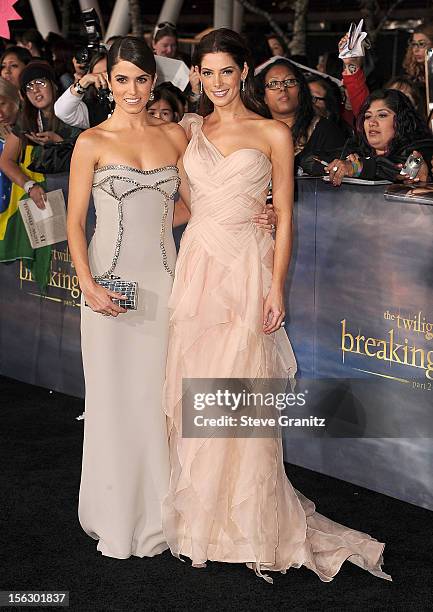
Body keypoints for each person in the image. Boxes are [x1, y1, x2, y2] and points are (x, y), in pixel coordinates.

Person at [162, 27, 391, 584]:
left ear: (245, 72)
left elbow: (285, 214)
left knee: (240, 385)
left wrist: (276, 286)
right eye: (206, 71)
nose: (216, 82)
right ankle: (201, 518)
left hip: (246, 266)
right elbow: (182, 200)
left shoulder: (272, 133)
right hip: (197, 265)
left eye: (226, 71)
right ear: (197, 75)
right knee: (196, 382)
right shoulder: (188, 130)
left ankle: (245, 520)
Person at [66, 35, 273, 559]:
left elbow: (195, 206)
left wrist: (257, 213)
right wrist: (88, 284)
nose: (133, 90)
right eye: (122, 79)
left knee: (157, 403)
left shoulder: (177, 138)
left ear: (153, 81)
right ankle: (114, 517)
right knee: (112, 400)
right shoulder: (89, 142)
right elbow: (73, 225)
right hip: (107, 288)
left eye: (141, 79)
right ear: (106, 82)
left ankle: (161, 518)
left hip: (166, 285)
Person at [0, 61, 81, 210]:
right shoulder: (27, 120)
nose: (35, 90)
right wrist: (30, 186)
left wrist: (59, 143)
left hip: (81, 188)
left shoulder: (74, 110)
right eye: (29, 87)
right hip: (49, 195)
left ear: (53, 85)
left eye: (40, 83)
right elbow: (6, 160)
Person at [325, 89, 433, 186]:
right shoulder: (356, 148)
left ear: (402, 121)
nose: (372, 122)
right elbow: (312, 160)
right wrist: (335, 167)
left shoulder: (422, 148)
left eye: (382, 115)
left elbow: (400, 169)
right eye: (368, 116)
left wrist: (358, 167)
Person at [255, 58, 347, 171]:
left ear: (301, 90)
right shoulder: (253, 134)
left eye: (290, 81)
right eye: (273, 84)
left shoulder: (326, 130)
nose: (282, 88)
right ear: (264, 97)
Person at [54, 51, 110, 129]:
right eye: (96, 76)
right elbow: (61, 112)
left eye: (106, 73)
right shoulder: (91, 108)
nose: (102, 79)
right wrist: (83, 82)